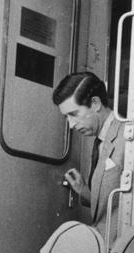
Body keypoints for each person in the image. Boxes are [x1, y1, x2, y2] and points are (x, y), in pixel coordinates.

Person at [53, 72, 125, 242]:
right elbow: (108, 205)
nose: (71, 124)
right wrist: (82, 190)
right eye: (67, 117)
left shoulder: (125, 137)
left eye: (74, 114)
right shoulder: (101, 141)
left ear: (95, 103)